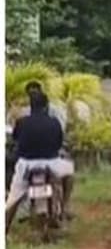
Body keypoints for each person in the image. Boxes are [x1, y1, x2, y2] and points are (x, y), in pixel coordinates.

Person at [6, 91, 75, 232]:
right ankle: (65, 206)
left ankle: (5, 226)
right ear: (46, 106)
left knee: (13, 198)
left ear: (30, 106)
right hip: (51, 164)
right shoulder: (54, 122)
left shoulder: (21, 122)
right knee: (69, 173)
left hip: (26, 165)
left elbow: (15, 140)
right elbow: (58, 144)